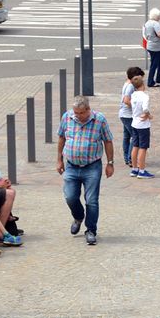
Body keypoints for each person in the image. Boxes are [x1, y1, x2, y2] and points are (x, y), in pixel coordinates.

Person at [57, 95, 115, 245]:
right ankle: (78, 216)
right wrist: (59, 159)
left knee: (92, 200)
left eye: (81, 113)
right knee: (70, 197)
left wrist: (110, 163)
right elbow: (61, 138)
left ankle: (91, 230)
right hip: (71, 165)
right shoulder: (67, 117)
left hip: (92, 166)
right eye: (75, 112)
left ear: (88, 109)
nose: (77, 116)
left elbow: (108, 141)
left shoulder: (99, 120)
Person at [129, 75, 154, 179]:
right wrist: (148, 115)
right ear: (142, 85)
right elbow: (145, 109)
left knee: (135, 146)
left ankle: (134, 169)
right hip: (143, 125)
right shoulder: (144, 96)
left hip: (134, 122)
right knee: (143, 147)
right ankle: (142, 170)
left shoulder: (133, 95)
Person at [119, 66, 144, 167]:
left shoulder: (127, 83)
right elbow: (126, 100)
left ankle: (127, 158)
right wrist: (136, 107)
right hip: (128, 115)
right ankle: (130, 159)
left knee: (127, 136)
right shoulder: (130, 86)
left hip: (124, 114)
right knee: (135, 136)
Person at [143, 8, 160, 87]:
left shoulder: (147, 23)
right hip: (156, 47)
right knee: (154, 65)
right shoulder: (155, 23)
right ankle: (150, 82)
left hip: (151, 46)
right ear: (157, 16)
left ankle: (158, 79)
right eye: (159, 16)